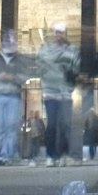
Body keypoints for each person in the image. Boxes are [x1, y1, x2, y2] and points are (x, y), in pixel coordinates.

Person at [0, 29, 30, 164]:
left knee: (11, 126)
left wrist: (13, 77)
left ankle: (8, 155)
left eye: (13, 39)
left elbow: (25, 77)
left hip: (14, 95)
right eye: (8, 39)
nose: (10, 42)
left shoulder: (20, 59)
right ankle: (0, 154)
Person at [38, 23, 80, 165]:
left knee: (65, 125)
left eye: (61, 32)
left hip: (65, 93)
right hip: (50, 92)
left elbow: (76, 68)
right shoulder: (45, 50)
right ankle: (50, 155)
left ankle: (62, 154)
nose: (58, 35)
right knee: (52, 125)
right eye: (57, 32)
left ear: (65, 34)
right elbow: (40, 67)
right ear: (53, 33)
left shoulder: (72, 50)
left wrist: (70, 75)